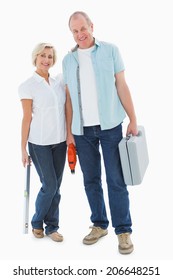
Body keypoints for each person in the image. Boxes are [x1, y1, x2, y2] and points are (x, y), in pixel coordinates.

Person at [63, 11, 138, 254]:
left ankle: (123, 230)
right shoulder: (68, 60)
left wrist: (133, 119)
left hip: (110, 126)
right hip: (81, 131)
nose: (80, 34)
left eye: (83, 28)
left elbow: (122, 85)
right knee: (91, 180)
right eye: (75, 31)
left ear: (91, 26)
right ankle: (99, 224)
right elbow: (68, 100)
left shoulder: (111, 50)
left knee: (116, 179)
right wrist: (70, 132)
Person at [19, 43, 67, 242]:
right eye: (43, 56)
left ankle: (52, 227)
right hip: (39, 143)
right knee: (50, 184)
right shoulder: (27, 86)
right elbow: (26, 118)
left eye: (50, 56)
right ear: (35, 58)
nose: (46, 60)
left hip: (61, 141)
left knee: (56, 187)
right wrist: (22, 148)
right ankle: (37, 222)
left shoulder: (58, 82)